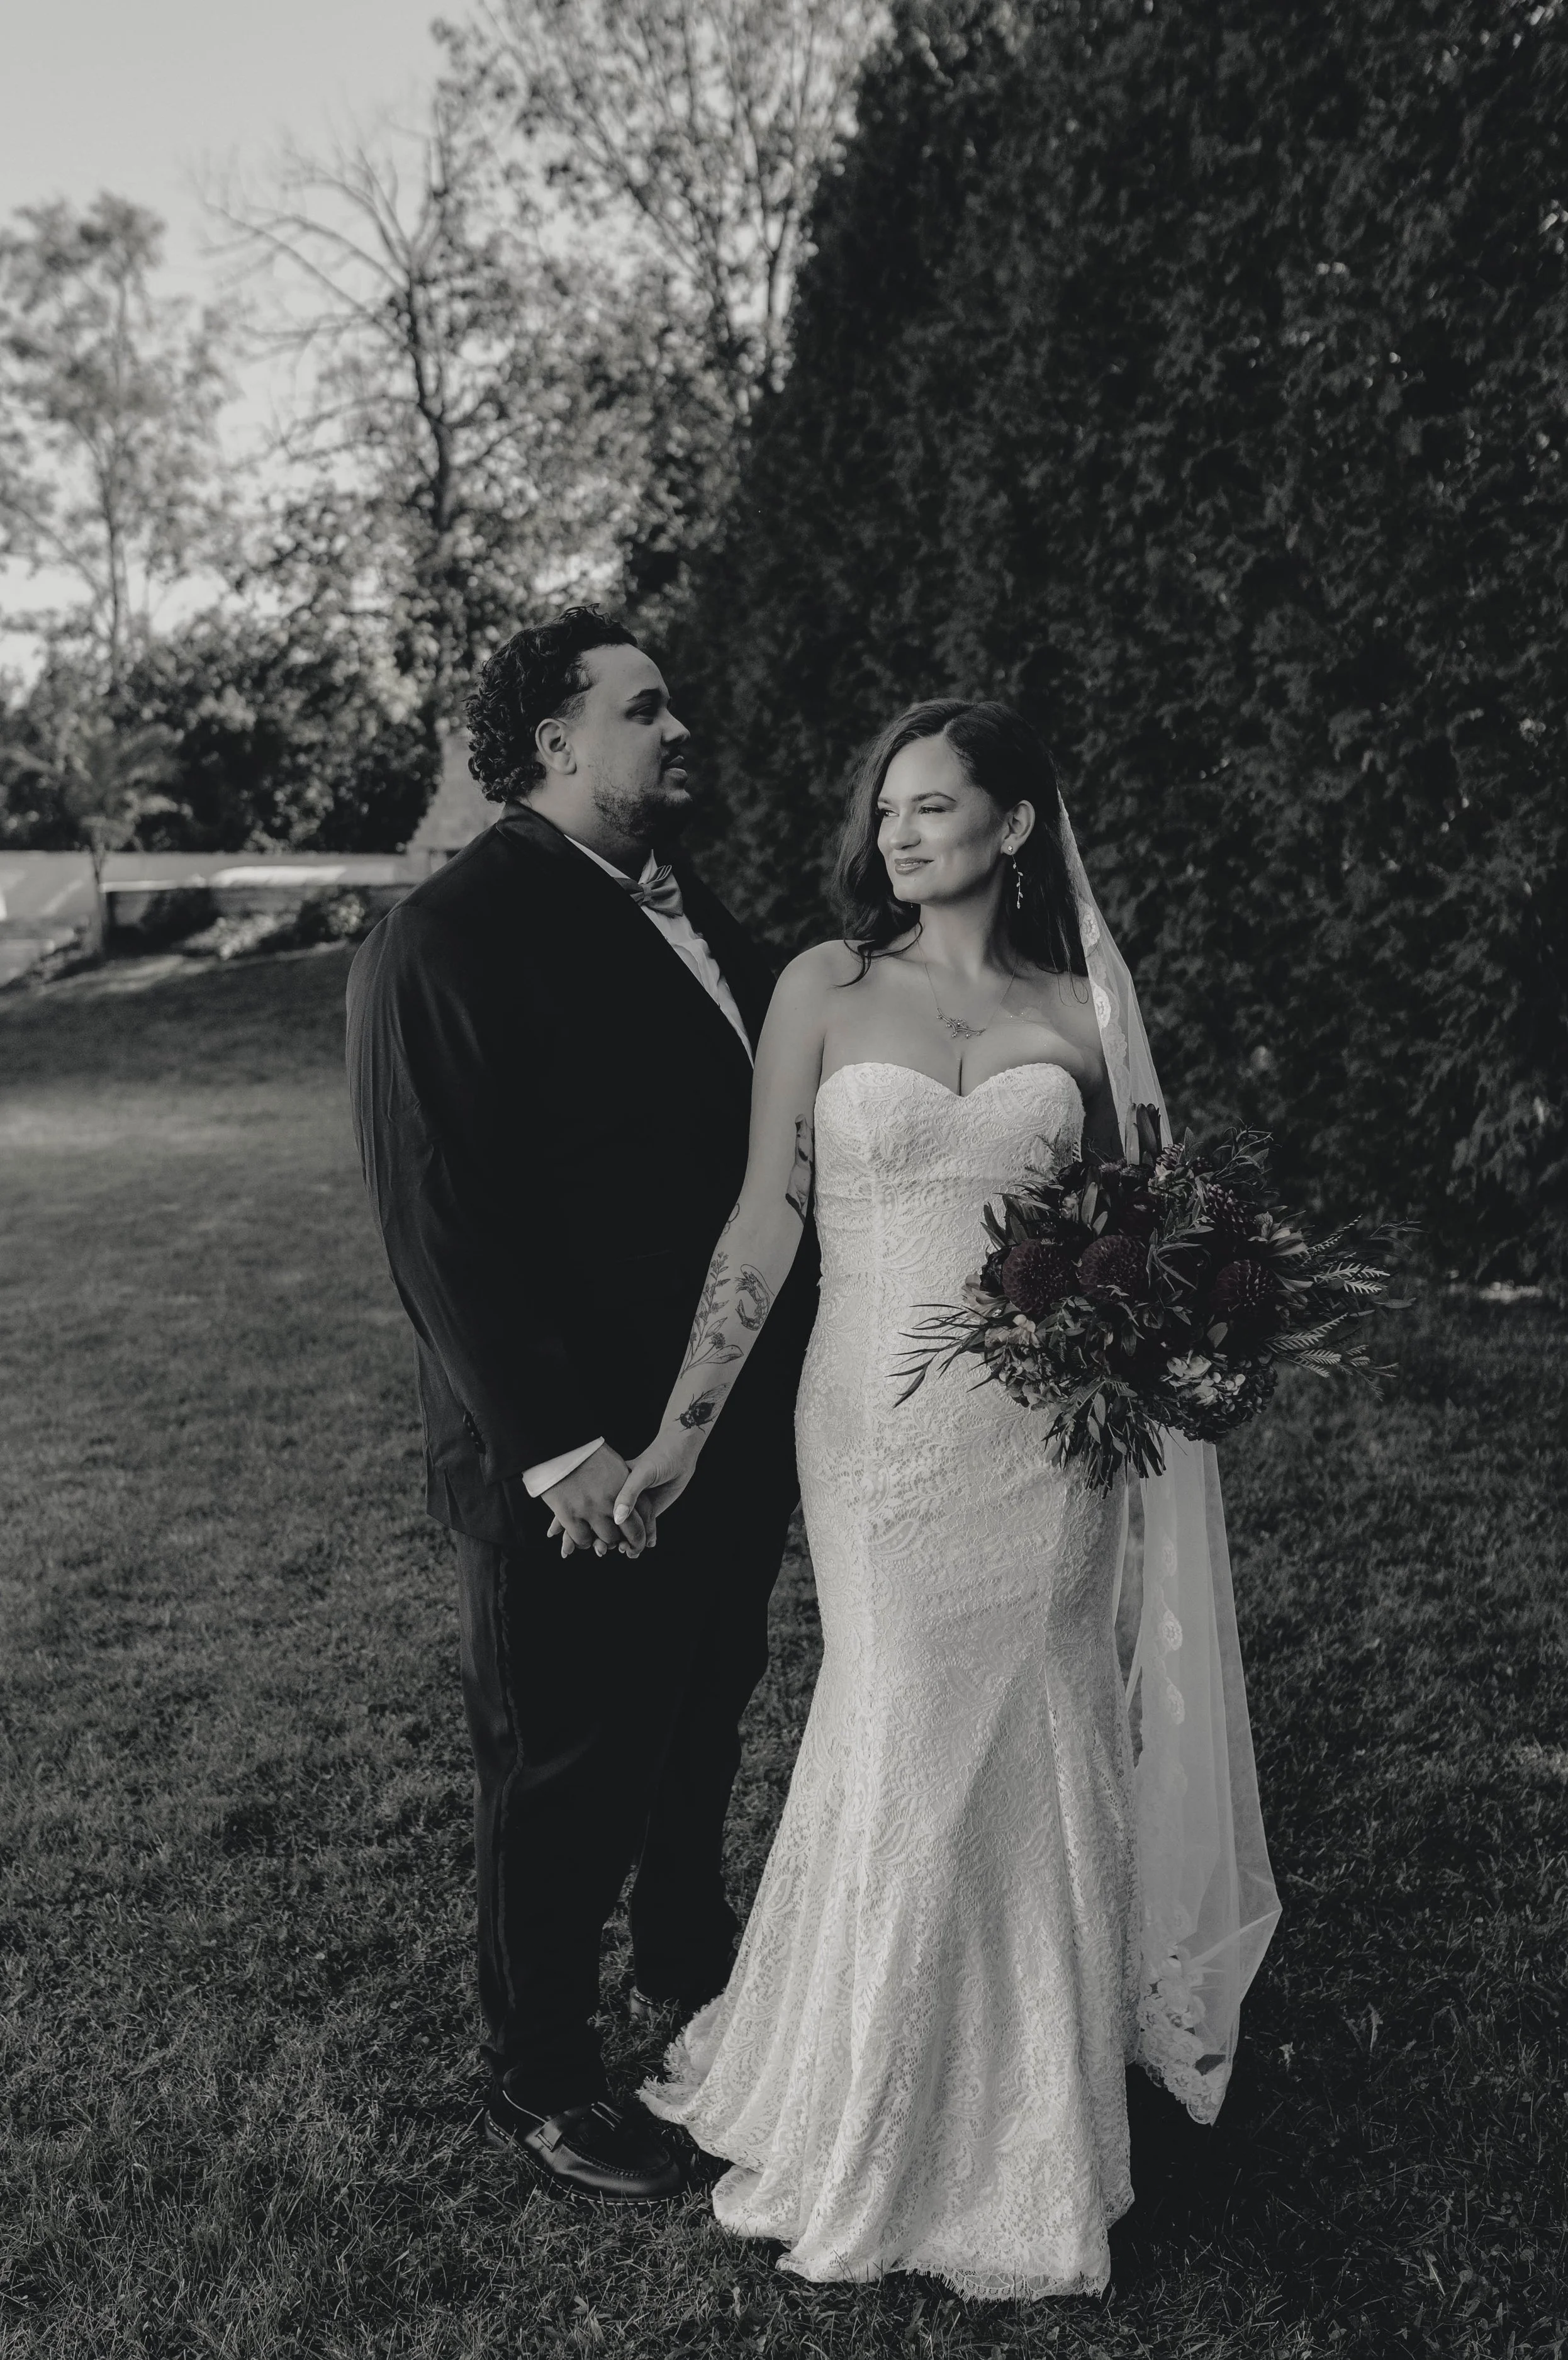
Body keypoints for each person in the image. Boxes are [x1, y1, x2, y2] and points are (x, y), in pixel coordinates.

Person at [614, 699, 1280, 2295]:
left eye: (934, 808)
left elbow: (1150, 1230)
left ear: (1014, 827)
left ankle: (1032, 2113)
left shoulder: (1081, 1009)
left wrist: (1189, 1346)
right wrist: (678, 1435)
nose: (900, 834)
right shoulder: (825, 989)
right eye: (888, 811)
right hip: (876, 1437)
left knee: (1040, 1715)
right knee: (904, 1707)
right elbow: (762, 1227)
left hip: (1043, 1445)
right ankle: (868, 2098)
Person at [345, 606, 815, 2203]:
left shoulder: (709, 922)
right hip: (577, 1462)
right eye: (646, 707)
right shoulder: (449, 937)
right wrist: (562, 1450)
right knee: (563, 1763)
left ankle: (692, 1968)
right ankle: (542, 2076)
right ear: (553, 740)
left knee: (700, 1716)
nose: (680, 730)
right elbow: (437, 1218)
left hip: (722, 1434)